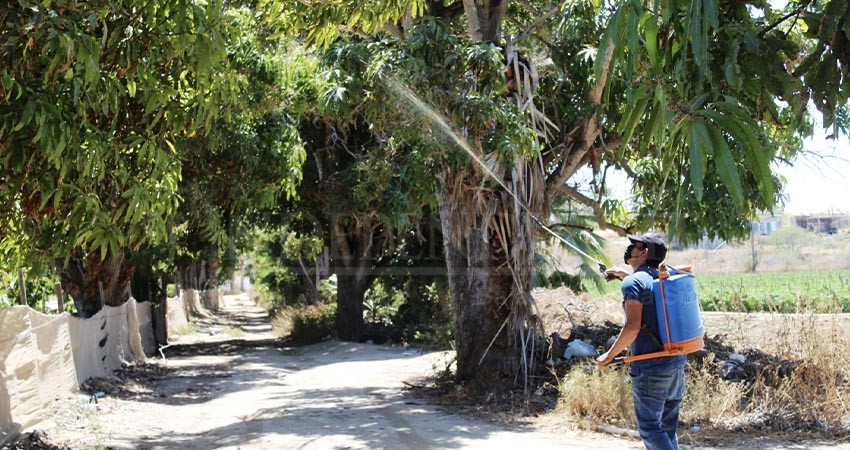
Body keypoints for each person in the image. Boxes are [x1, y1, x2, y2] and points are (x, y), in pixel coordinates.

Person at [596, 233, 686, 450]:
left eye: (633, 246)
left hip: (650, 367)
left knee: (650, 429)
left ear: (644, 252)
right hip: (676, 364)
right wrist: (622, 273)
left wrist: (609, 355)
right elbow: (648, 285)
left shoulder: (633, 283)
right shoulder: (666, 278)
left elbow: (632, 327)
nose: (629, 249)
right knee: (667, 429)